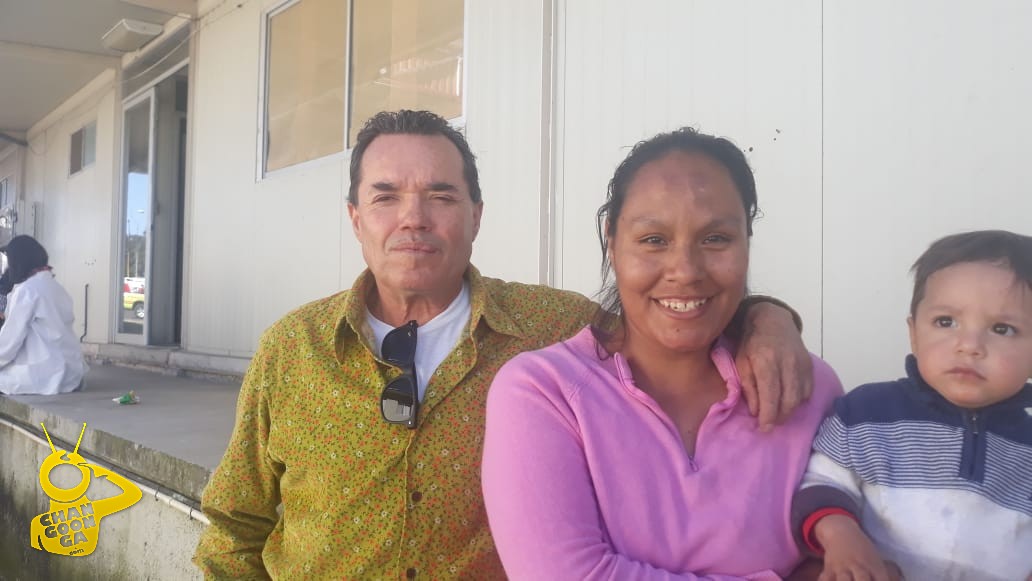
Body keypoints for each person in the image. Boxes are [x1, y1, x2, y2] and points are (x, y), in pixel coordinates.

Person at [194, 110, 814, 579]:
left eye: (441, 196)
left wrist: (765, 318)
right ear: (356, 218)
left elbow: (671, 312)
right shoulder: (292, 350)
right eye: (385, 197)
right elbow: (234, 525)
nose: (413, 218)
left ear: (476, 215)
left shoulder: (556, 332)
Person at [480, 127, 844, 580]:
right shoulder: (543, 392)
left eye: (716, 239)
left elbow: (858, 553)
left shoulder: (805, 386)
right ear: (612, 242)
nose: (685, 271)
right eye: (654, 239)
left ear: (747, 243)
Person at [791, 230, 1032, 581]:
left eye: (1002, 329)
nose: (969, 345)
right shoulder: (867, 414)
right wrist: (840, 536)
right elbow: (821, 482)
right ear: (914, 333)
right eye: (946, 322)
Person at [0, 235, 85, 395]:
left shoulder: (28, 290)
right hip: (71, 374)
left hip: (45, 374)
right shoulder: (57, 288)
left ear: (18, 262)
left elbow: (8, 344)